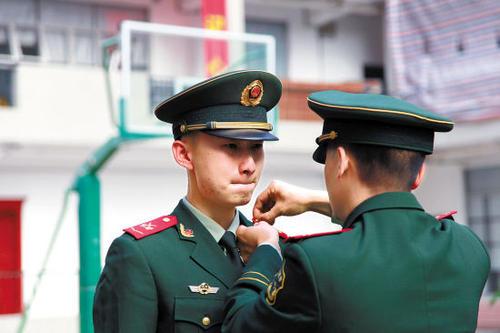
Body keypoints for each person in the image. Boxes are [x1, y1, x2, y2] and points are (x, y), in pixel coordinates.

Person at [222, 90, 490, 333]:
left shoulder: (315, 262)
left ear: (341, 162)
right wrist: (311, 201)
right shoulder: (468, 248)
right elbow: (401, 223)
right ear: (419, 174)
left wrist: (265, 253)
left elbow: (239, 327)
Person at [92, 70, 282, 333]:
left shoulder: (274, 248)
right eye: (231, 147)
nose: (249, 165)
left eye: (256, 147)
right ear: (184, 155)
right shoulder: (142, 256)